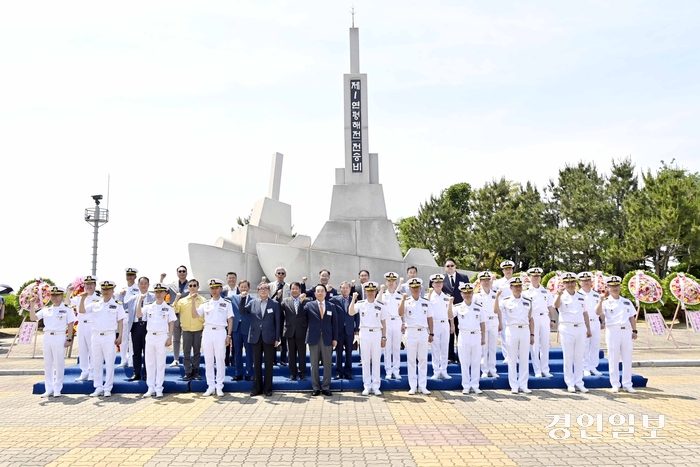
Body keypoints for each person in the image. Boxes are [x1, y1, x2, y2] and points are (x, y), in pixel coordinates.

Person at [81, 280, 125, 398]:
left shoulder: (117, 305)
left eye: (108, 289)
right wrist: (82, 299)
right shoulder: (95, 304)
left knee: (110, 362)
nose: (106, 291)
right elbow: (82, 311)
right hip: (95, 336)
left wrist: (120, 336)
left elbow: (121, 321)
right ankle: (98, 387)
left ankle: (108, 387)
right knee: (96, 362)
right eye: (104, 289)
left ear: (112, 291)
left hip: (109, 336)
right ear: (101, 290)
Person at [29, 286, 75, 397]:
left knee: (59, 363)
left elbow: (70, 325)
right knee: (48, 364)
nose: (54, 297)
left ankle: (57, 388)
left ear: (62, 296)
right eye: (53, 295)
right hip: (47, 337)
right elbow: (33, 318)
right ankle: (49, 388)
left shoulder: (67, 309)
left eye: (57, 295)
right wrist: (32, 306)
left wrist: (69, 338)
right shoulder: (46, 309)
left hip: (59, 337)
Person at [191, 278, 233, 397]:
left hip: (220, 332)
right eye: (212, 288)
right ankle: (210, 386)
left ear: (220, 289)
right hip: (208, 332)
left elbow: (230, 319)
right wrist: (193, 302)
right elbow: (195, 315)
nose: (214, 290)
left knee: (220, 359)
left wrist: (229, 335)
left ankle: (219, 386)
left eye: (216, 288)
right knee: (208, 360)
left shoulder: (226, 303)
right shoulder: (205, 304)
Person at [597, 276, 638, 393]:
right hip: (613, 330)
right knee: (613, 358)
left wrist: (634, 330)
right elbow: (598, 312)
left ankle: (627, 383)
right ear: (608, 288)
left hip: (626, 331)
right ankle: (615, 383)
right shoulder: (605, 302)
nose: (615, 288)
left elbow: (631, 317)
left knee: (627, 357)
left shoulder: (626, 301)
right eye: (612, 286)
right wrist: (600, 300)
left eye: (617, 285)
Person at [554, 272, 593, 393]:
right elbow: (556, 306)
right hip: (567, 328)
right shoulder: (561, 296)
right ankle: (570, 382)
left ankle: (579, 382)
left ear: (575, 283)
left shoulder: (581, 296)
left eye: (572, 282)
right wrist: (559, 295)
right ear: (564, 284)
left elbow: (585, 313)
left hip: (580, 327)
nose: (570, 284)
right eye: (567, 282)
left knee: (579, 356)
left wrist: (588, 328)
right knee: (568, 356)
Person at [496, 277, 535, 394]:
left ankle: (523, 384)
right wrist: (497, 297)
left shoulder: (528, 301)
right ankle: (513, 385)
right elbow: (495, 311)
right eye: (515, 286)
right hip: (512, 330)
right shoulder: (505, 300)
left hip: (524, 329)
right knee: (512, 358)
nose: (518, 288)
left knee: (524, 358)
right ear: (511, 288)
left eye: (519, 286)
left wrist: (532, 334)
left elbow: (531, 319)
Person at [137, 282, 176, 398]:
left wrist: (170, 338)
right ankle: (150, 387)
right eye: (156, 292)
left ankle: (159, 387)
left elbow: (171, 323)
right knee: (149, 362)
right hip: (150, 336)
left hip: (162, 336)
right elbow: (139, 315)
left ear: (165, 293)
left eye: (161, 292)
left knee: (160, 363)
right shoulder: (148, 306)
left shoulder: (168, 308)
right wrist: (140, 301)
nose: (158, 294)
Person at [242, 282, 281, 397]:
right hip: (255, 337)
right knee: (257, 364)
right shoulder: (252, 303)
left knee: (269, 364)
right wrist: (243, 299)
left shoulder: (274, 304)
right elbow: (242, 311)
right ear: (258, 291)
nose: (263, 290)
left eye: (265, 288)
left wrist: (277, 338)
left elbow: (278, 321)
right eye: (261, 289)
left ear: (269, 291)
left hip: (269, 337)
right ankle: (256, 388)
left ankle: (268, 389)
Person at [350, 281, 387, 396]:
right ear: (365, 292)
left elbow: (384, 323)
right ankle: (366, 386)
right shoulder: (361, 303)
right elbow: (351, 312)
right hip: (364, 333)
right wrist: (353, 299)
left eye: (372, 291)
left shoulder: (381, 305)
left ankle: (376, 385)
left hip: (377, 333)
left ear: (376, 291)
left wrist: (384, 337)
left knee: (376, 360)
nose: (370, 293)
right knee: (365, 360)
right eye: (368, 291)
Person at [398, 278, 433, 395]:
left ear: (420, 288)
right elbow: (400, 313)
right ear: (409, 289)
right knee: (411, 360)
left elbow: (430, 318)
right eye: (413, 288)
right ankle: (413, 385)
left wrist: (431, 333)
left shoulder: (426, 302)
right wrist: (402, 300)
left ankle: (423, 385)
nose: (415, 289)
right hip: (411, 332)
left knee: (423, 359)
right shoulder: (406, 301)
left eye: (417, 287)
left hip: (423, 332)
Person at [301, 284, 337, 396]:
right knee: (314, 364)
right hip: (313, 337)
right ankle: (315, 387)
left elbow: (335, 324)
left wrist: (335, 338)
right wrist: (301, 303)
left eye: (322, 291)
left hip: (327, 337)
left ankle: (326, 387)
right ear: (315, 293)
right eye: (318, 291)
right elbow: (301, 317)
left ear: (326, 293)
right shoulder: (309, 305)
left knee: (327, 364)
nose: (320, 293)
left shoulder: (331, 306)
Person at [452, 282, 486, 394]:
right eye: (465, 293)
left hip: (476, 335)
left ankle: (475, 385)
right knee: (464, 361)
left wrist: (483, 337)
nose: (467, 295)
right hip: (464, 335)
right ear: (461, 294)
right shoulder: (458, 307)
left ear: (472, 293)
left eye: (469, 293)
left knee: (476, 361)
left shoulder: (479, 307)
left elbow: (482, 323)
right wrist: (449, 304)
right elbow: (449, 316)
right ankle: (466, 385)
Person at [522, 268, 555, 378]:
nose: (536, 278)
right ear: (530, 277)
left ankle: (545, 369)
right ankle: (537, 370)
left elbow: (550, 306)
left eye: (538, 276)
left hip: (545, 317)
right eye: (533, 276)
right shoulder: (525, 292)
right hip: (533, 318)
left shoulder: (546, 291)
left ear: (540, 277)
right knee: (534, 344)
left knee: (545, 344)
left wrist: (553, 319)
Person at [66, 274, 99, 382]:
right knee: (82, 349)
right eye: (86, 284)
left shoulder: (98, 298)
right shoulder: (79, 297)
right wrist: (69, 293)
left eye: (91, 284)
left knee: (92, 349)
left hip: (92, 325)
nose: (88, 286)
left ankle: (93, 372)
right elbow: (67, 304)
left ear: (95, 285)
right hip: (81, 324)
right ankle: (84, 372)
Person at [173, 279, 206, 381]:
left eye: (194, 285)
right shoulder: (182, 301)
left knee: (197, 352)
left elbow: (206, 316)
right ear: (188, 287)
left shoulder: (203, 301)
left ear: (198, 287)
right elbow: (175, 310)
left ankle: (195, 371)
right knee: (186, 352)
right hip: (186, 329)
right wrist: (176, 298)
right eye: (190, 286)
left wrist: (204, 329)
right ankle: (188, 372)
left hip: (198, 329)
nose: (192, 287)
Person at [123, 276, 153, 381]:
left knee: (147, 351)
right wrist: (118, 295)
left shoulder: (153, 297)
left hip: (147, 327)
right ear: (138, 285)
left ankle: (147, 373)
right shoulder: (133, 298)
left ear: (148, 285)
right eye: (141, 283)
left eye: (145, 283)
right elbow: (123, 306)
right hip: (135, 327)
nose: (143, 285)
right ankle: (136, 373)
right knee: (136, 352)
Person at [280, 282, 311, 381]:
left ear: (300, 290)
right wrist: (277, 297)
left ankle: (302, 373)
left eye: (296, 289)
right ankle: (293, 374)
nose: (294, 290)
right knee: (291, 354)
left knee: (302, 354)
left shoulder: (307, 301)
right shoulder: (285, 301)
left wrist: (301, 302)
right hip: (290, 331)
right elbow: (279, 311)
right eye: (292, 289)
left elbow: (305, 314)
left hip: (302, 331)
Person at [441, 258, 469, 364]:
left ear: (455, 266)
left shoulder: (464, 277)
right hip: (448, 310)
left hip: (461, 310)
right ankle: (451, 357)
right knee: (450, 334)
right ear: (445, 268)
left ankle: (461, 357)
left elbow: (468, 293)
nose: (450, 267)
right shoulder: (442, 279)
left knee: (461, 334)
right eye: (448, 266)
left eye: (452, 265)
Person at [427, 273, 454, 380]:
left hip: (445, 324)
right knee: (435, 348)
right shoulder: (429, 296)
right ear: (432, 284)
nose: (438, 284)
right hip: (434, 323)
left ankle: (444, 370)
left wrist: (452, 325)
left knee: (444, 348)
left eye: (440, 282)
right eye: (436, 282)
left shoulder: (446, 297)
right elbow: (427, 312)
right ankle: (436, 371)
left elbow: (450, 313)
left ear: (442, 284)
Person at [475, 271, 502, 378]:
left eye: (488, 280)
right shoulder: (476, 296)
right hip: (483, 323)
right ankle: (484, 369)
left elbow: (498, 310)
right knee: (484, 347)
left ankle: (492, 369)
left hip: (494, 321)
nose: (486, 282)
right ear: (480, 282)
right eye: (484, 280)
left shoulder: (496, 295)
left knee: (492, 347)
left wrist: (500, 322)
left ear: (491, 281)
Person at [330, 281, 358, 380]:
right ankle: (338, 372)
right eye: (343, 288)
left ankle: (348, 372)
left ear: (350, 289)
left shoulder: (354, 300)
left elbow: (356, 315)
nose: (345, 290)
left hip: (350, 330)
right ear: (340, 289)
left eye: (347, 288)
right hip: (338, 330)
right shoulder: (334, 300)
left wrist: (357, 328)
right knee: (338, 352)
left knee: (349, 352)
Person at [578, 271, 604, 376]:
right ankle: (585, 367)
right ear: (579, 282)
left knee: (595, 345)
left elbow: (600, 310)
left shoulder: (596, 295)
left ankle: (593, 366)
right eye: (583, 281)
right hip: (583, 323)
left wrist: (603, 321)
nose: (586, 282)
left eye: (588, 280)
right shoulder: (577, 295)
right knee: (585, 346)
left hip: (595, 322)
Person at [162, 266, 189, 367]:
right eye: (180, 271)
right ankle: (176, 359)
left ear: (186, 273)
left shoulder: (191, 284)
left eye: (183, 271)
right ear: (177, 273)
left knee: (187, 339)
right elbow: (162, 290)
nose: (182, 273)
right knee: (176, 338)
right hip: (175, 315)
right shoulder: (171, 285)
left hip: (187, 315)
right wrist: (162, 279)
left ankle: (186, 359)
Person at [380, 272, 404, 380]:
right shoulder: (382, 295)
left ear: (396, 283)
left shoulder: (400, 296)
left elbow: (403, 311)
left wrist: (403, 323)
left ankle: (396, 370)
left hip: (397, 321)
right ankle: (388, 370)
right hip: (386, 323)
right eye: (389, 281)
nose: (391, 283)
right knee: (387, 348)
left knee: (396, 347)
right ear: (386, 282)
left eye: (393, 281)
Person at [116, 267, 139, 368]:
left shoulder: (138, 289)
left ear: (135, 276)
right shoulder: (121, 289)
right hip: (123, 315)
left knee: (132, 338)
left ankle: (131, 360)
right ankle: (123, 359)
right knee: (123, 338)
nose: (129, 277)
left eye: (131, 275)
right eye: (128, 275)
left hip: (133, 315)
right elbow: (117, 303)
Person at [231, 280, 253, 381]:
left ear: (248, 288)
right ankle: (238, 373)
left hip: (248, 328)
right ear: (239, 288)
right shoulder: (233, 298)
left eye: (245, 287)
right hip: (236, 328)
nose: (243, 289)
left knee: (249, 351)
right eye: (241, 287)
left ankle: (249, 373)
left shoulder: (253, 300)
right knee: (237, 351)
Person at [493, 260, 515, 363]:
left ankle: (515, 355)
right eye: (506, 269)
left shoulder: (517, 281)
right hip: (503, 311)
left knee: (515, 333)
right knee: (504, 334)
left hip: (515, 310)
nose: (508, 271)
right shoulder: (497, 283)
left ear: (512, 270)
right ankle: (506, 355)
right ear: (503, 271)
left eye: (509, 269)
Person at [269, 266, 291, 367]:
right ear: (275, 275)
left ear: (285, 275)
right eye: (279, 273)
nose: (280, 275)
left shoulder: (289, 286)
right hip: (273, 313)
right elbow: (268, 298)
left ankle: (283, 359)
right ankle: (272, 359)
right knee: (273, 336)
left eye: (282, 273)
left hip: (284, 313)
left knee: (284, 336)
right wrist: (276, 296)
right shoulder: (270, 286)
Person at [222, 271, 239, 367]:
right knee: (225, 340)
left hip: (237, 320)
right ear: (226, 279)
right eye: (230, 278)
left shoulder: (240, 290)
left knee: (236, 342)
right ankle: (226, 360)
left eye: (233, 278)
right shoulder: (222, 291)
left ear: (236, 279)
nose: (231, 280)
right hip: (225, 320)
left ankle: (234, 361)